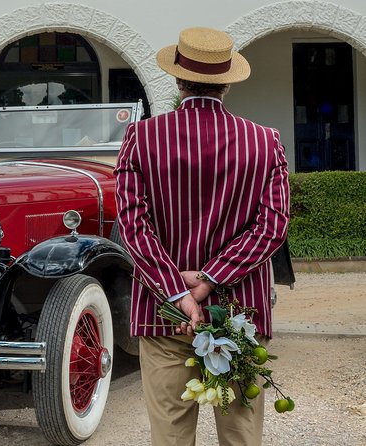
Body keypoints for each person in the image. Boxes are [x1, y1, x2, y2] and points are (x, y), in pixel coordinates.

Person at [114, 27, 290, 446]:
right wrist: (209, 280)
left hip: (164, 313)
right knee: (241, 436)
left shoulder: (141, 138)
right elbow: (273, 226)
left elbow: (132, 226)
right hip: (241, 310)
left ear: (178, 79)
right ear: (227, 82)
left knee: (171, 436)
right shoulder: (266, 142)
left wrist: (180, 292)